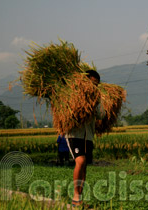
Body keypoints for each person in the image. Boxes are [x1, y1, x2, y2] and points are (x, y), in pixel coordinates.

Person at [65, 70, 105, 208]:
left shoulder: (96, 98)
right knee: (80, 161)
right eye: (92, 83)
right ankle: (76, 195)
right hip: (74, 134)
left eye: (96, 85)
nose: (94, 87)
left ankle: (78, 199)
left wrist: (94, 104)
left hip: (88, 136)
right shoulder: (73, 95)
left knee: (84, 166)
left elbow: (101, 115)